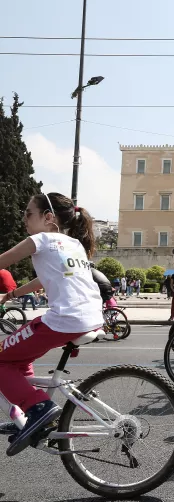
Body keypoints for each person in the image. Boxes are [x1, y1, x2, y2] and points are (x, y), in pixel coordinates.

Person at [0, 192, 103, 455]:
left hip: (65, 319)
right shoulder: (74, 244)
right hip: (89, 316)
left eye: (28, 214)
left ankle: (38, 408)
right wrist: (11, 294)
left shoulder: (41, 239)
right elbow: (43, 280)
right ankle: (28, 415)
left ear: (48, 217)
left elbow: (2, 262)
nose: (24, 219)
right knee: (20, 359)